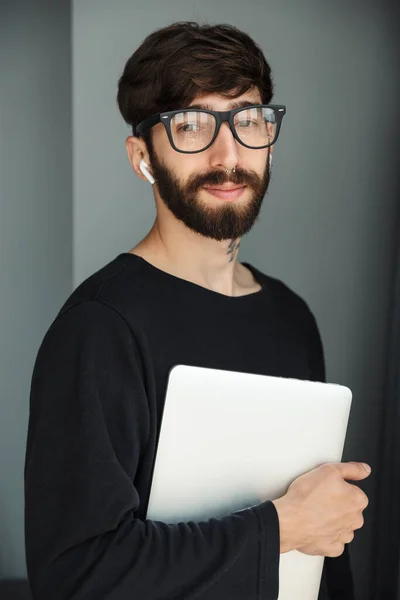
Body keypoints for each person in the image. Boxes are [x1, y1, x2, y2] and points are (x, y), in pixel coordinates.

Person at [24, 21, 370, 600]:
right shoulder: (99, 327)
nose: (228, 155)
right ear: (143, 157)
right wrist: (279, 526)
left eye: (249, 120)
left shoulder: (291, 317)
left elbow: (321, 547)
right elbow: (75, 575)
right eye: (190, 125)